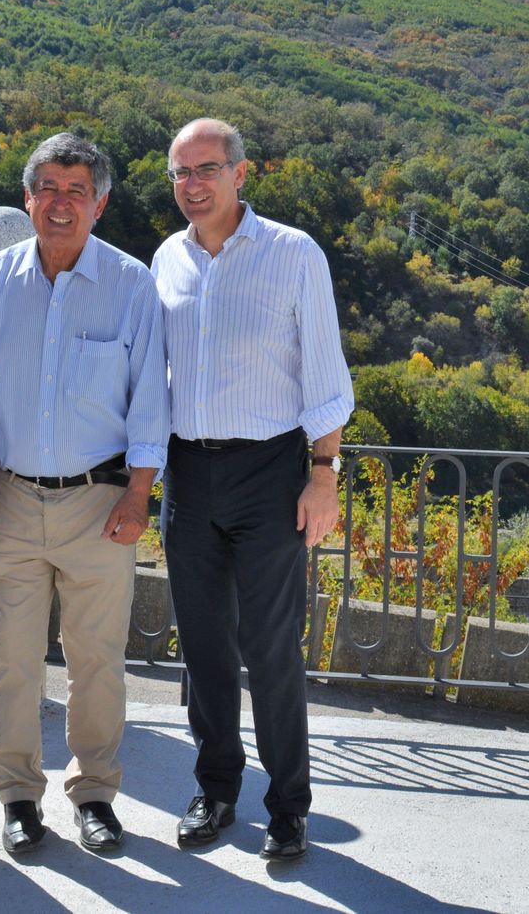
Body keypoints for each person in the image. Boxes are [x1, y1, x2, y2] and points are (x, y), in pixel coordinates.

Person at [151, 118, 354, 861]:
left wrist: (323, 471)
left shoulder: (294, 253)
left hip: (271, 471)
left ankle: (289, 804)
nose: (192, 185)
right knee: (202, 646)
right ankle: (216, 789)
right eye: (180, 173)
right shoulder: (165, 259)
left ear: (242, 173)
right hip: (187, 472)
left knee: (271, 649)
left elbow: (326, 373)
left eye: (206, 168)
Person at [0, 132, 169, 855]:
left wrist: (138, 495)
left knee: (96, 659)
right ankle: (19, 796)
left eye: (76, 190)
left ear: (101, 202)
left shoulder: (131, 283)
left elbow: (151, 400)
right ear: (27, 199)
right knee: (12, 658)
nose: (60, 204)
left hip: (100, 500)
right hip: (12, 496)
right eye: (47, 188)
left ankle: (95, 794)